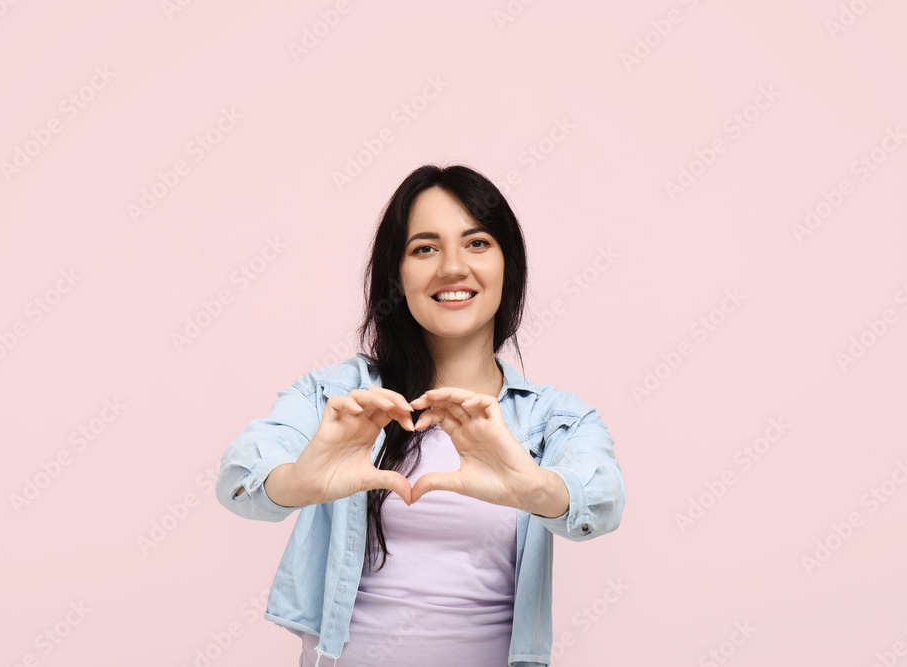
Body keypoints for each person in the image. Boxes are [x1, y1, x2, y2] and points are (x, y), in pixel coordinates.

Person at [215, 164, 626, 666]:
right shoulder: (339, 398)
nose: (452, 267)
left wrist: (532, 488)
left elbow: (602, 503)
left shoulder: (556, 419)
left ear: (507, 267)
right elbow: (240, 478)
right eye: (424, 248)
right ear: (397, 275)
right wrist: (299, 482)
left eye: (476, 243)